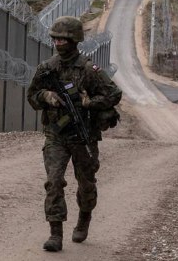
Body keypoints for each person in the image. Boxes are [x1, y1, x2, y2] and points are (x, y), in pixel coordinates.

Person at [27, 16, 123, 252]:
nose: (58, 43)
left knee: (86, 184)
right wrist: (46, 96)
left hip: (84, 136)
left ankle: (84, 218)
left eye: (63, 39)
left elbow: (113, 94)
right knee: (54, 182)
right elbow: (32, 96)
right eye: (56, 39)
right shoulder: (47, 68)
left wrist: (90, 103)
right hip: (56, 135)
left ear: (74, 40)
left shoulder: (88, 69)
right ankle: (55, 233)